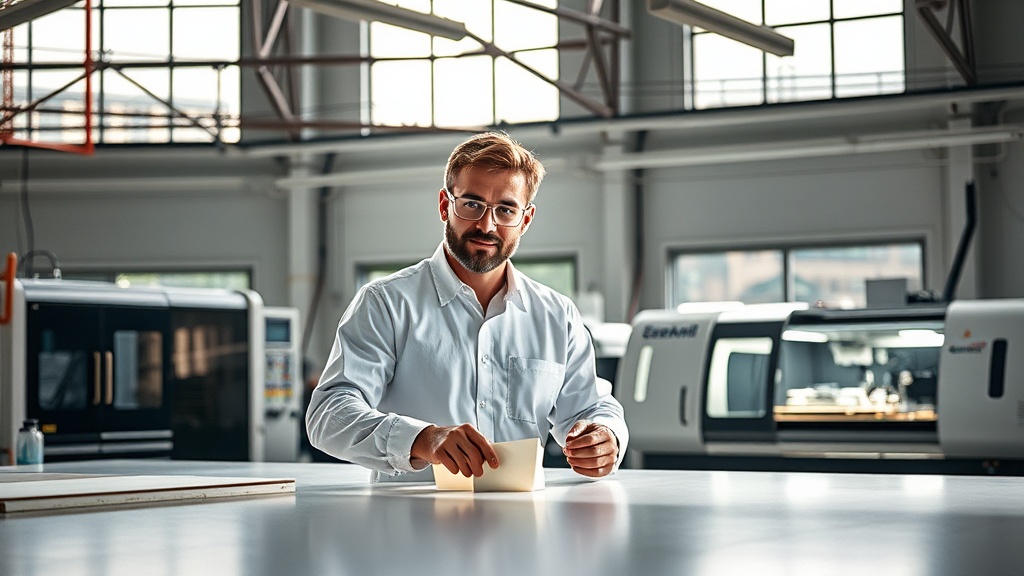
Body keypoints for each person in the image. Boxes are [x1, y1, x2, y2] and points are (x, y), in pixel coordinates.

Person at [306, 132, 628, 482]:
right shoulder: (387, 303)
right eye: (472, 204)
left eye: (505, 209)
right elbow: (328, 414)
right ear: (446, 205)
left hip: (522, 526)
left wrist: (605, 436)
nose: (486, 226)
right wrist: (422, 439)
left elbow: (591, 406)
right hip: (408, 526)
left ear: (526, 219)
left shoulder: (556, 315)